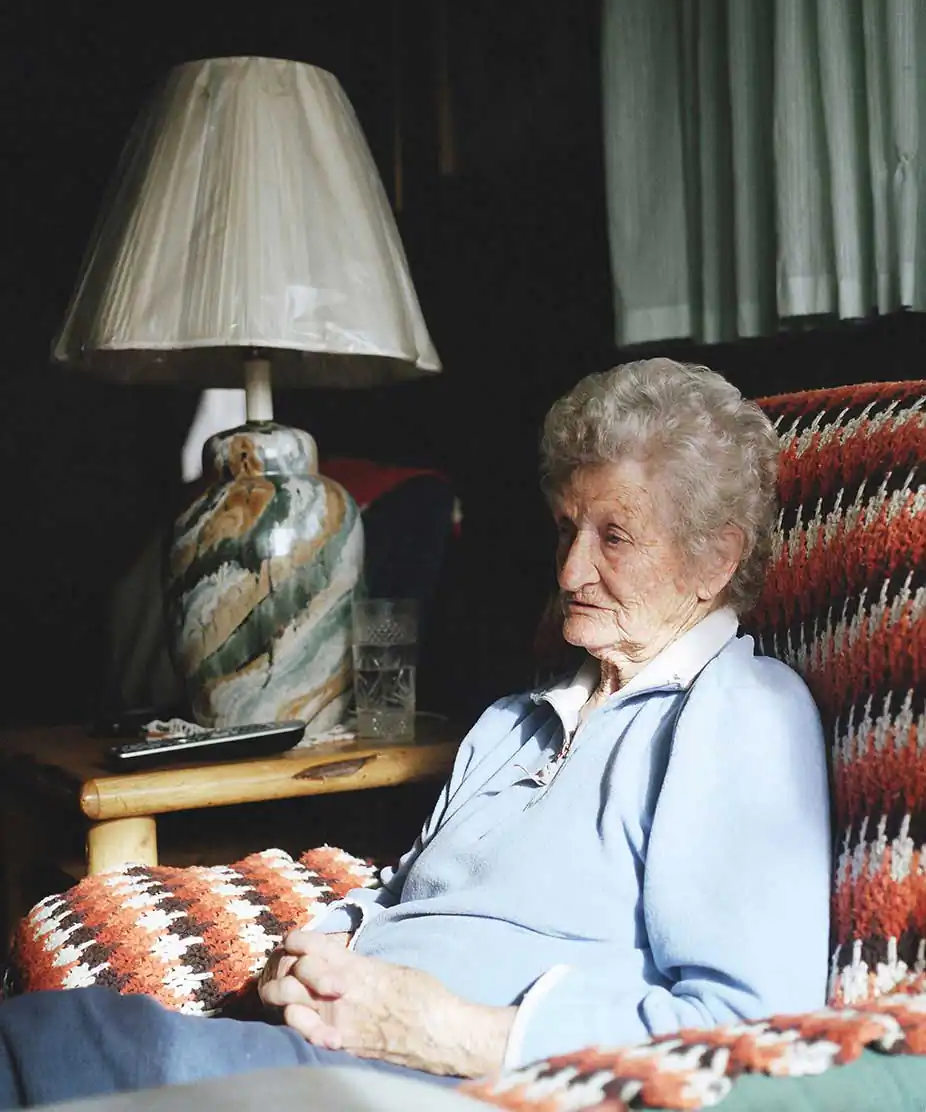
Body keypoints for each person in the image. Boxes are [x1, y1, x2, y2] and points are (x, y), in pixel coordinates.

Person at [0, 359, 831, 1107]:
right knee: (60, 1032)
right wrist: (321, 948)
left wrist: (448, 1031)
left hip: (469, 1084)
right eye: (565, 530)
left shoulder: (740, 712)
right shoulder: (515, 720)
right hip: (330, 1051)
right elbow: (406, 889)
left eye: (613, 537)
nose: (571, 570)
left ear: (715, 560)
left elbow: (750, 1028)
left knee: (63, 1044)